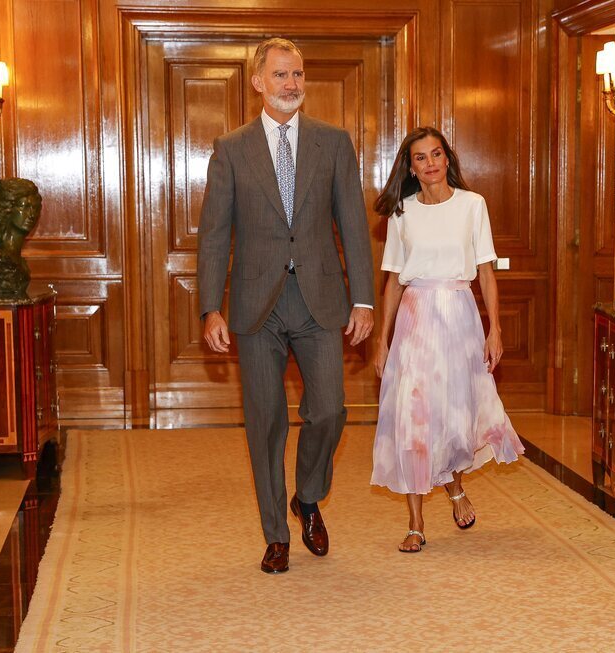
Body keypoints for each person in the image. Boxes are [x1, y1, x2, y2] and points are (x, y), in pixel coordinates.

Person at [197, 38, 375, 574]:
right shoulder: (231, 148)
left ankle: (309, 496)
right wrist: (210, 307)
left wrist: (363, 299)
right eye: (280, 75)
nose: (292, 84)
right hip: (256, 306)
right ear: (258, 82)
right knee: (266, 420)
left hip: (320, 301)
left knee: (330, 408)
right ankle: (276, 533)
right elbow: (214, 235)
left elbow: (354, 229)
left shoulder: (333, 143)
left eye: (298, 74)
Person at [370, 126, 524, 553]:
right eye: (421, 157)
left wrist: (495, 328)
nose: (431, 163)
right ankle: (416, 522)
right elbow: (393, 284)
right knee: (413, 416)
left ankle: (455, 488)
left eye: (437, 154)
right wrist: (381, 342)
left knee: (453, 414)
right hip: (414, 320)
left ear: (447, 159)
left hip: (459, 316)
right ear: (412, 167)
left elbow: (487, 272)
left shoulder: (473, 206)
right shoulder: (401, 212)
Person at [0, 178, 43, 298]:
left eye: (34, 208)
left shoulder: (18, 261)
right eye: (24, 206)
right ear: (5, 209)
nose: (31, 214)